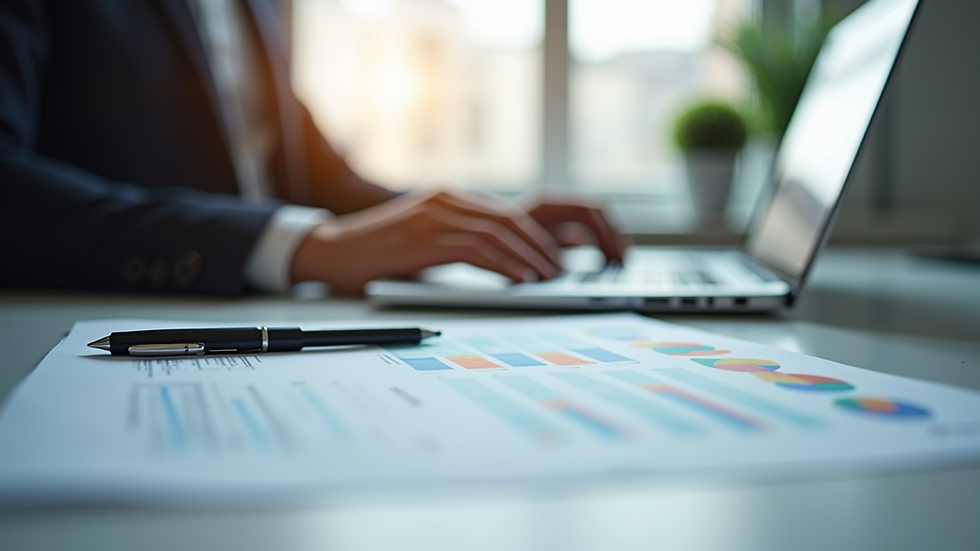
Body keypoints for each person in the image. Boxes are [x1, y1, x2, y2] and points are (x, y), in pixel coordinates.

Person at [0, 0, 624, 296]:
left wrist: (483, 222)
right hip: (99, 327)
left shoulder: (262, 9)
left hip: (263, 327)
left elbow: (320, 180)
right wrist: (303, 246)